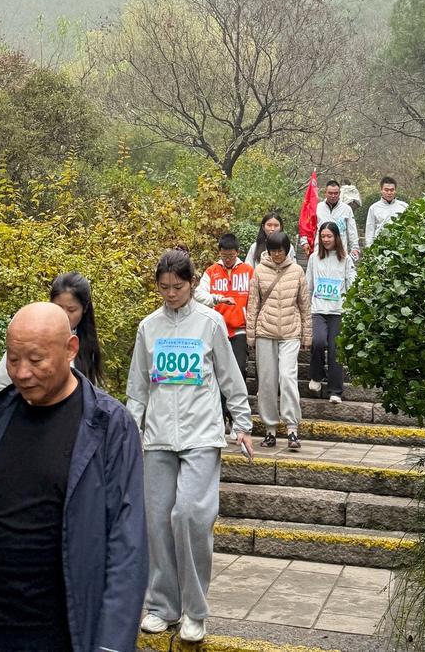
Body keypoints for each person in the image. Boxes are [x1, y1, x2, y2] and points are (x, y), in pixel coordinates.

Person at [0, 303, 147, 652]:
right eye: (13, 358)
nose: (21, 372)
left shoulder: (110, 427)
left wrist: (110, 645)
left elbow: (128, 546)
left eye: (35, 360)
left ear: (70, 350)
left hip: (58, 637)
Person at [127, 248, 253, 643]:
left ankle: (195, 611)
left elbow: (229, 378)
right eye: (163, 287)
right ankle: (162, 606)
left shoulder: (211, 322)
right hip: (159, 438)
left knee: (190, 517)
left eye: (178, 287)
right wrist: (132, 431)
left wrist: (243, 422)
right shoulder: (148, 327)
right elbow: (138, 387)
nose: (170, 294)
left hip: (201, 435)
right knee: (159, 518)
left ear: (193, 283)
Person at [245, 230, 312, 451]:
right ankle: (270, 430)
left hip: (291, 332)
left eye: (280, 251)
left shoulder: (297, 271)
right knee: (266, 382)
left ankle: (292, 428)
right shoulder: (259, 271)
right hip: (265, 331)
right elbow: (253, 304)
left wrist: (307, 334)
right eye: (273, 251)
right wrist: (251, 334)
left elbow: (304, 305)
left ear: (287, 250)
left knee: (287, 377)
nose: (276, 256)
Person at [0, 271, 103, 391]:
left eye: (71, 310)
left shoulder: (87, 347)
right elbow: (1, 386)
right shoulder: (29, 336)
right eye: (58, 307)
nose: (63, 314)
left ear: (84, 309)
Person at [195, 233, 254, 437]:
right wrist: (218, 298)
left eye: (231, 255)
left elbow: (255, 298)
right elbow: (198, 294)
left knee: (237, 373)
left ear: (237, 252)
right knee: (217, 375)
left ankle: (235, 417)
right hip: (217, 330)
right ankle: (220, 416)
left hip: (239, 330)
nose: (227, 259)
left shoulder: (248, 271)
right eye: (224, 255)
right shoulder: (212, 271)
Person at [305, 222, 356, 403]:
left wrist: (351, 306)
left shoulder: (345, 259)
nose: (326, 239)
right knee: (318, 341)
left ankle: (335, 391)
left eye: (329, 236)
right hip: (318, 309)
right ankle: (316, 375)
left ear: (336, 237)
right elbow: (308, 285)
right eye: (323, 236)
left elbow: (352, 284)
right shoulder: (313, 258)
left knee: (335, 350)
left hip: (338, 311)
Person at [300, 180, 360, 261]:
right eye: (330, 193)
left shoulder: (347, 209)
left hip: (340, 253)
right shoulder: (317, 208)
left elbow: (352, 231)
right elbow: (307, 226)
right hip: (320, 252)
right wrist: (304, 241)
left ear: (339, 193)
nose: (333, 196)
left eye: (336, 193)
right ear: (325, 193)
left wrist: (355, 248)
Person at [365, 176, 409, 247]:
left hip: (400, 246)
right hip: (380, 245)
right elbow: (370, 230)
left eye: (392, 190)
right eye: (386, 190)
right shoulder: (373, 208)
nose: (389, 193)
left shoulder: (404, 206)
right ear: (381, 190)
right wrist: (369, 247)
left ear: (395, 190)